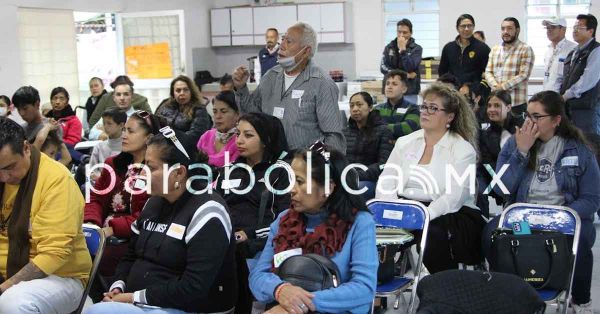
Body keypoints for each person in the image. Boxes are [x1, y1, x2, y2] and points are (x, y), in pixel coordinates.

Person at [85, 127, 237, 314]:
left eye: (151, 167)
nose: (142, 174)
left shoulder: (209, 212)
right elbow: (131, 255)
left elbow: (194, 287)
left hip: (190, 307)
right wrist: (119, 286)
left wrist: (134, 297)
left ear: (179, 173)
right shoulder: (153, 203)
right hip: (142, 302)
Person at [483, 91, 599, 313]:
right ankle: (507, 291)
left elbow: (591, 200)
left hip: (563, 219)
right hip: (524, 219)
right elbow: (501, 188)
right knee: (491, 234)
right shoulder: (513, 145)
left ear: (556, 120)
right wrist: (522, 151)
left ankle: (580, 300)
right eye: (527, 115)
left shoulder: (580, 150)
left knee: (582, 240)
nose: (529, 122)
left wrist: (560, 216)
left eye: (537, 117)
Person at [249, 142, 377, 314]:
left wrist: (299, 303)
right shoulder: (284, 220)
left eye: (299, 182)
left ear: (328, 188)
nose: (291, 189)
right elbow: (258, 276)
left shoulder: (360, 223)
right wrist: (280, 290)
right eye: (291, 180)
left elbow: (364, 289)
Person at [376, 83, 485, 273]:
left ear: (449, 117)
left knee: (434, 236)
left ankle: (442, 291)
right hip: (405, 207)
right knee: (369, 230)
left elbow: (454, 197)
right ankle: (379, 292)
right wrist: (392, 209)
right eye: (424, 106)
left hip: (448, 214)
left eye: (433, 108)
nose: (425, 112)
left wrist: (422, 216)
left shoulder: (462, 150)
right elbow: (387, 181)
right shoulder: (405, 142)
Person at [0, 117, 92, 313]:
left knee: (13, 303)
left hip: (60, 277)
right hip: (6, 271)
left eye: (9, 167)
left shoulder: (57, 181)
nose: (4, 177)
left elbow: (54, 254)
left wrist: (3, 288)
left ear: (26, 148)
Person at [215, 112, 290, 314]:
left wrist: (248, 234)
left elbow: (284, 219)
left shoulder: (281, 173)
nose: (239, 140)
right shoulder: (229, 170)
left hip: (261, 246)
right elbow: (214, 209)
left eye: (248, 135)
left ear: (266, 140)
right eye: (238, 134)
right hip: (225, 243)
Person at [232, 22, 346, 153]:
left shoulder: (321, 83)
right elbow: (252, 116)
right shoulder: (270, 76)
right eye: (283, 40)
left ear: (306, 51)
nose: (282, 46)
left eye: (289, 41)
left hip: (303, 166)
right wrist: (241, 88)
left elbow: (333, 137)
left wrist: (322, 168)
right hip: (270, 162)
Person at [84, 111, 164, 278]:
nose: (124, 136)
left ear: (148, 138)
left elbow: (146, 215)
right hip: (102, 231)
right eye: (124, 130)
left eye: (131, 131)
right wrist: (93, 225)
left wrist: (112, 229)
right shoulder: (112, 164)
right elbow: (95, 198)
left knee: (105, 258)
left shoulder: (155, 172)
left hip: (132, 237)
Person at [476, 90, 522, 217]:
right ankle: (483, 224)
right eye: (489, 106)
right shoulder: (484, 134)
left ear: (508, 107)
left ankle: (522, 229)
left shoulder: (522, 127)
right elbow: (487, 163)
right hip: (496, 177)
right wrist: (500, 182)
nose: (491, 109)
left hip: (521, 177)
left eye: (497, 105)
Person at [344, 92, 394, 200]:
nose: (355, 109)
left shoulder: (383, 131)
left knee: (353, 189)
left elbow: (383, 164)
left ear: (370, 107)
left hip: (370, 180)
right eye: (351, 105)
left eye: (359, 104)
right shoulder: (345, 132)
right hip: (346, 177)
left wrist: (358, 175)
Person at [485, 17, 535, 116]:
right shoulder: (495, 49)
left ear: (517, 30)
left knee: (516, 131)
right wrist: (495, 86)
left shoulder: (525, 49)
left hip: (516, 103)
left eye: (509, 28)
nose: (505, 31)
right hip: (496, 103)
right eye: (503, 29)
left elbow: (523, 75)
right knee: (496, 131)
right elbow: (488, 72)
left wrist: (502, 87)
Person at [560, 14, 600, 136]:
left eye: (579, 27)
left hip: (586, 108)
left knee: (589, 145)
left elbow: (588, 80)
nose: (575, 30)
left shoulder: (596, 50)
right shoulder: (574, 52)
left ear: (590, 31)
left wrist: (566, 95)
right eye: (574, 27)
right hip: (570, 107)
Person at [155, 75, 212, 143]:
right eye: (178, 90)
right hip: (161, 145)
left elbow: (195, 136)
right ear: (173, 93)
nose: (182, 93)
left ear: (191, 92)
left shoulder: (199, 109)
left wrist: (172, 139)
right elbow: (155, 123)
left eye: (185, 90)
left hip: (185, 148)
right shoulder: (165, 104)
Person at [439, 14, 491, 86]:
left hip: (474, 93)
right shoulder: (448, 48)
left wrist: (475, 90)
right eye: (463, 26)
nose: (466, 29)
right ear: (457, 28)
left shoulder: (483, 48)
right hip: (452, 93)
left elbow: (488, 74)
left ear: (473, 27)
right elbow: (442, 72)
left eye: (469, 26)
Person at [380, 18, 423, 104]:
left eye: (405, 32)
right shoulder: (389, 47)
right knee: (388, 116)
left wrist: (403, 50)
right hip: (390, 90)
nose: (401, 35)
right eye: (399, 32)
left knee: (409, 115)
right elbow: (383, 67)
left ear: (411, 33)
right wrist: (404, 75)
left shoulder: (417, 49)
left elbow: (411, 67)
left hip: (409, 91)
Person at [11, 86, 63, 150]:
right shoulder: (20, 129)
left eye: (25, 108)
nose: (22, 113)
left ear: (37, 104)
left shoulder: (53, 126)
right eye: (19, 109)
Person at [197, 91, 240, 168]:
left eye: (223, 111)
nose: (218, 116)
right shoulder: (206, 136)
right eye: (215, 111)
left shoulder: (240, 140)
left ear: (237, 114)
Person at [374, 70, 421, 139]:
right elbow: (371, 128)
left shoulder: (413, 108)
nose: (389, 87)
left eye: (394, 84)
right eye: (387, 84)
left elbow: (408, 128)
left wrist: (382, 127)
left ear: (404, 89)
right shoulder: (377, 109)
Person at [88, 108, 127, 181]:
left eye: (109, 123)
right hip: (101, 185)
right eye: (104, 123)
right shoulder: (99, 146)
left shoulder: (129, 146)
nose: (105, 127)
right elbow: (92, 170)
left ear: (121, 125)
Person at [542, 18, 576, 93]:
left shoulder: (572, 49)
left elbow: (574, 77)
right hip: (547, 95)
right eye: (547, 28)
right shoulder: (549, 50)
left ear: (563, 29)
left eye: (553, 27)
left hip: (562, 98)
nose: (549, 30)